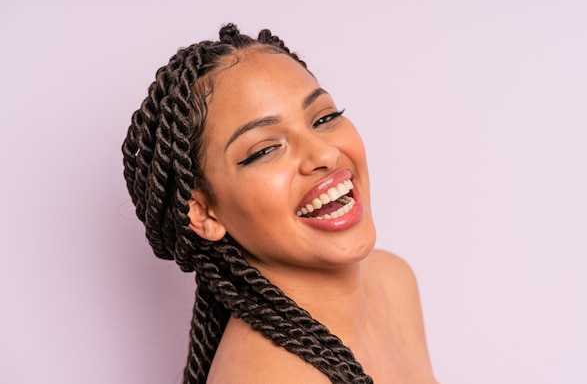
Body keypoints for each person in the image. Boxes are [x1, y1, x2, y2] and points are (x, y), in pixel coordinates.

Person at [122, 23, 438, 384]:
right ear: (203, 211)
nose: (324, 154)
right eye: (265, 150)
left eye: (324, 118)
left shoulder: (393, 281)